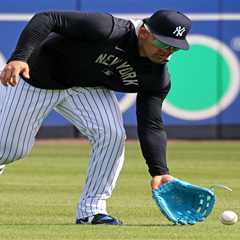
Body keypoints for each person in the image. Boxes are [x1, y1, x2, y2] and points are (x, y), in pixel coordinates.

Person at [0, 9, 192, 225]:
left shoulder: (156, 78)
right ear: (145, 33)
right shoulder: (107, 29)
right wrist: (19, 57)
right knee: (10, 150)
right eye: (163, 44)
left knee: (112, 135)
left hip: (86, 88)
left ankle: (92, 210)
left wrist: (159, 171)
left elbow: (151, 125)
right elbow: (47, 18)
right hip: (35, 79)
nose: (167, 52)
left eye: (174, 47)